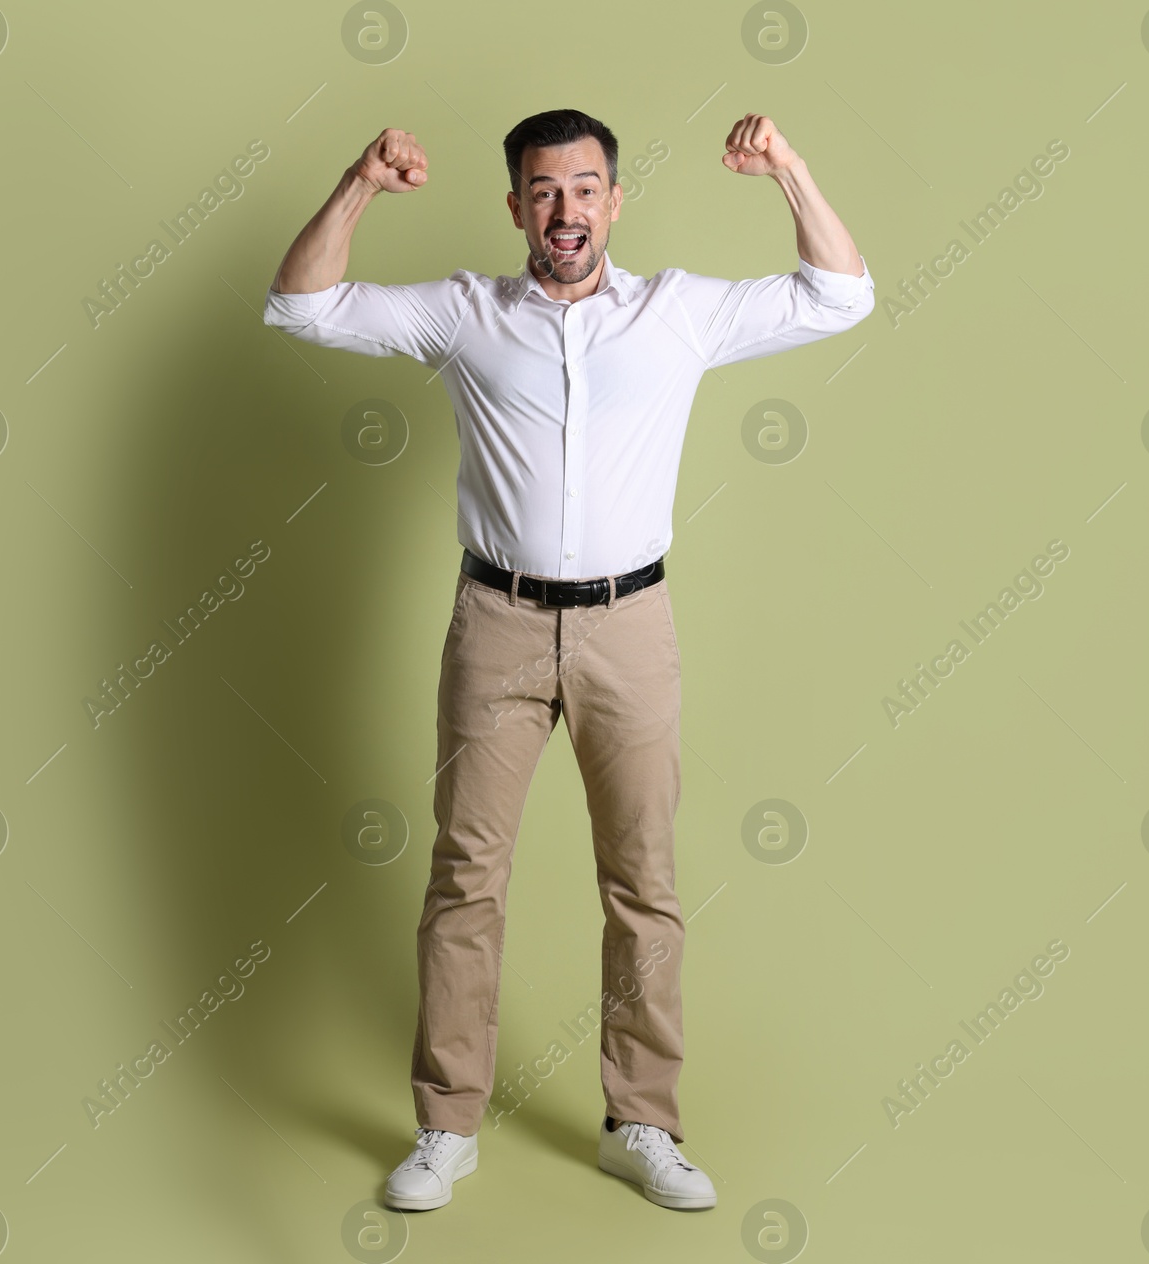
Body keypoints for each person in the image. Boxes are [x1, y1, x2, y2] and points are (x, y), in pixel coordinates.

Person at [262, 107, 873, 1212]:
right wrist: (358, 181)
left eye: (585, 189)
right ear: (514, 208)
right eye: (544, 192)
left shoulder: (678, 312)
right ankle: (445, 1126)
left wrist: (786, 168)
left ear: (614, 201)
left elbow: (841, 293)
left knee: (644, 882)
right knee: (463, 880)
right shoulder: (465, 314)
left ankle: (641, 1122)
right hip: (493, 621)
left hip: (630, 625)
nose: (566, 212)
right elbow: (298, 306)